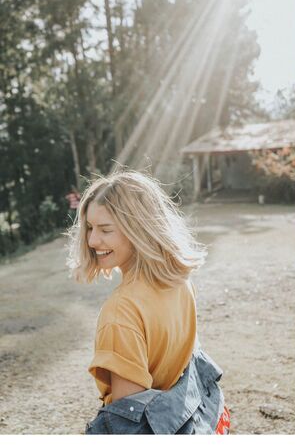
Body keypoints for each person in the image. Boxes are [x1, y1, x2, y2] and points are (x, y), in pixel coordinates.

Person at [66, 170, 230, 434]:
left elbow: (129, 423)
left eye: (105, 229)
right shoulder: (179, 281)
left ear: (138, 229)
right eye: (89, 227)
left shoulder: (122, 310)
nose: (92, 240)